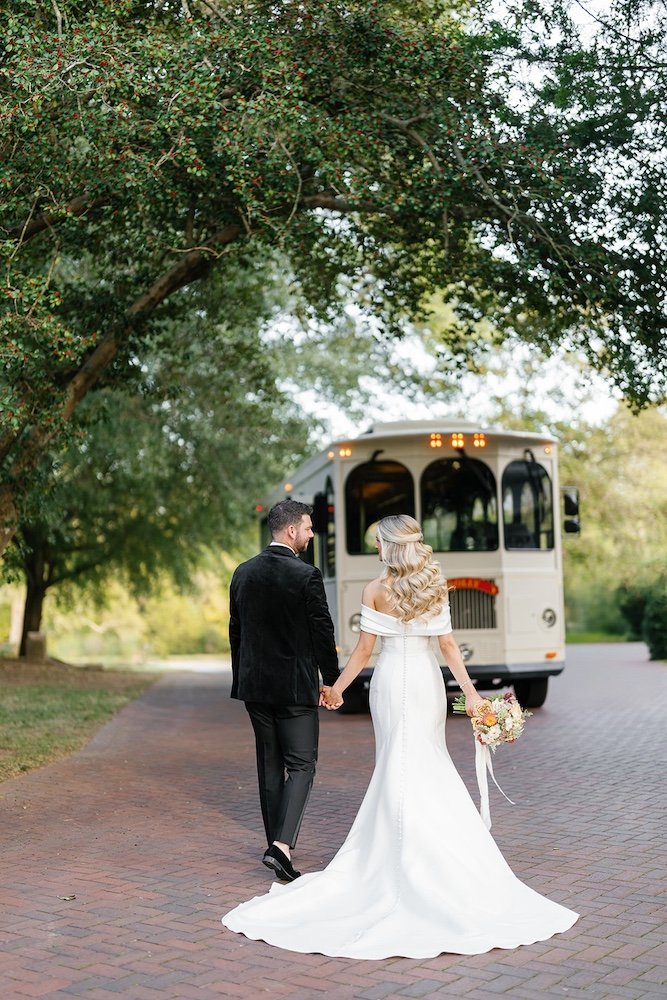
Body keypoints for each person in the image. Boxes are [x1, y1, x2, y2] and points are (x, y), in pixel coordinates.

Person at [222, 513, 579, 958]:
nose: (374, 548)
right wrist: (471, 696)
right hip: (428, 685)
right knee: (427, 760)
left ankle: (394, 857)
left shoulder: (374, 590)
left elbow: (365, 651)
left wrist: (336, 689)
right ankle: (440, 860)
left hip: (390, 686)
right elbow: (448, 648)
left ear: (389, 546)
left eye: (376, 542)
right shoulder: (433, 585)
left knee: (396, 763)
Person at [228, 497, 340, 883]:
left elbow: (236, 633)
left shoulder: (242, 573)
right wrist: (332, 680)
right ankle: (281, 846)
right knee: (303, 765)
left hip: (254, 689)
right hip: (294, 690)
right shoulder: (306, 575)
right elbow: (322, 633)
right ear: (291, 530)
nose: (312, 533)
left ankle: (276, 845)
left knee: (269, 765)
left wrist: (241, 678)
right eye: (309, 527)